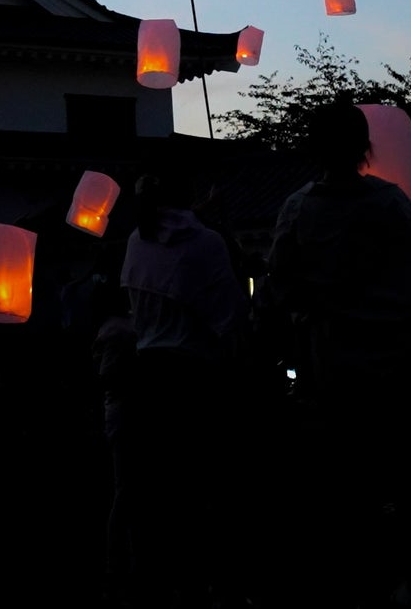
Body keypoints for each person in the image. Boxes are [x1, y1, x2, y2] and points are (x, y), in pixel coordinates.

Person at [272, 104, 411, 605]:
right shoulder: (391, 204)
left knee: (347, 487)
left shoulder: (298, 209)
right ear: (365, 147)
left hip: (332, 372)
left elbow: (281, 290)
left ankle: (355, 583)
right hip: (399, 366)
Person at [117, 169, 244, 607]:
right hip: (194, 375)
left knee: (155, 485)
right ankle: (205, 580)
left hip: (146, 373)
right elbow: (225, 315)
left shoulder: (137, 239)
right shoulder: (207, 243)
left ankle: (152, 575)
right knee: (204, 484)